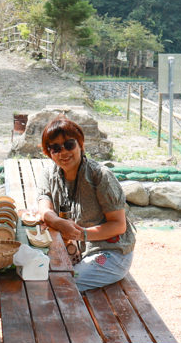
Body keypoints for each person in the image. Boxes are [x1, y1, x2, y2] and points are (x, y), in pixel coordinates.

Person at [36, 116, 136, 292]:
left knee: (61, 286)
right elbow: (44, 209)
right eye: (55, 148)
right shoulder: (49, 174)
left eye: (69, 144)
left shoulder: (100, 176)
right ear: (48, 152)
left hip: (110, 252)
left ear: (81, 144)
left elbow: (118, 225)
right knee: (32, 274)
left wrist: (79, 234)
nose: (63, 152)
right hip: (76, 250)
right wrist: (59, 223)